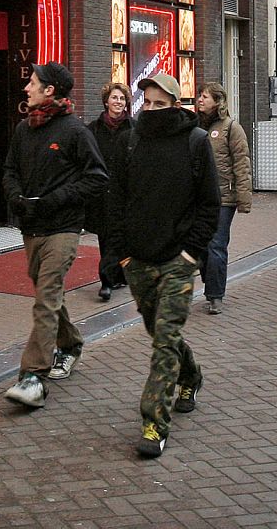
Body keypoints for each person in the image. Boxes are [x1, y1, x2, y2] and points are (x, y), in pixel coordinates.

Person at [107, 72, 219, 458]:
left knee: (165, 339)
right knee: (160, 334)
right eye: (147, 103)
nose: (151, 110)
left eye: (159, 103)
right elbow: (115, 200)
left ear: (175, 103)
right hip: (137, 259)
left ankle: (154, 423)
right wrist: (122, 253)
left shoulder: (195, 141)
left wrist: (191, 253)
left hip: (178, 261)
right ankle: (191, 375)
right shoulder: (129, 141)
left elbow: (210, 204)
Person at [1, 62, 108, 408]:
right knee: (48, 294)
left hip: (63, 227)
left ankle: (33, 377)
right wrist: (15, 197)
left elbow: (97, 177)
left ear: (50, 90)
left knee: (45, 297)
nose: (26, 88)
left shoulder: (75, 131)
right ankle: (72, 342)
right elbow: (10, 170)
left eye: (32, 83)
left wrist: (56, 200)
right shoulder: (23, 129)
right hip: (30, 227)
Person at [196, 82, 251, 315]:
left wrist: (243, 198)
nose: (200, 99)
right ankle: (212, 283)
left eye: (205, 96)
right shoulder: (194, 127)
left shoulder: (231, 128)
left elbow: (241, 162)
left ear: (217, 101)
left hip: (223, 197)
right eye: (200, 95)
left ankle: (215, 296)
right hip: (198, 198)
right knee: (200, 246)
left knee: (216, 244)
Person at [87, 81, 132, 302]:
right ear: (106, 101)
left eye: (122, 98)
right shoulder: (93, 129)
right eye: (115, 98)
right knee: (106, 236)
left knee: (121, 235)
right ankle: (106, 281)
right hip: (102, 193)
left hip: (124, 191)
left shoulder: (133, 128)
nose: (118, 102)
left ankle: (119, 275)